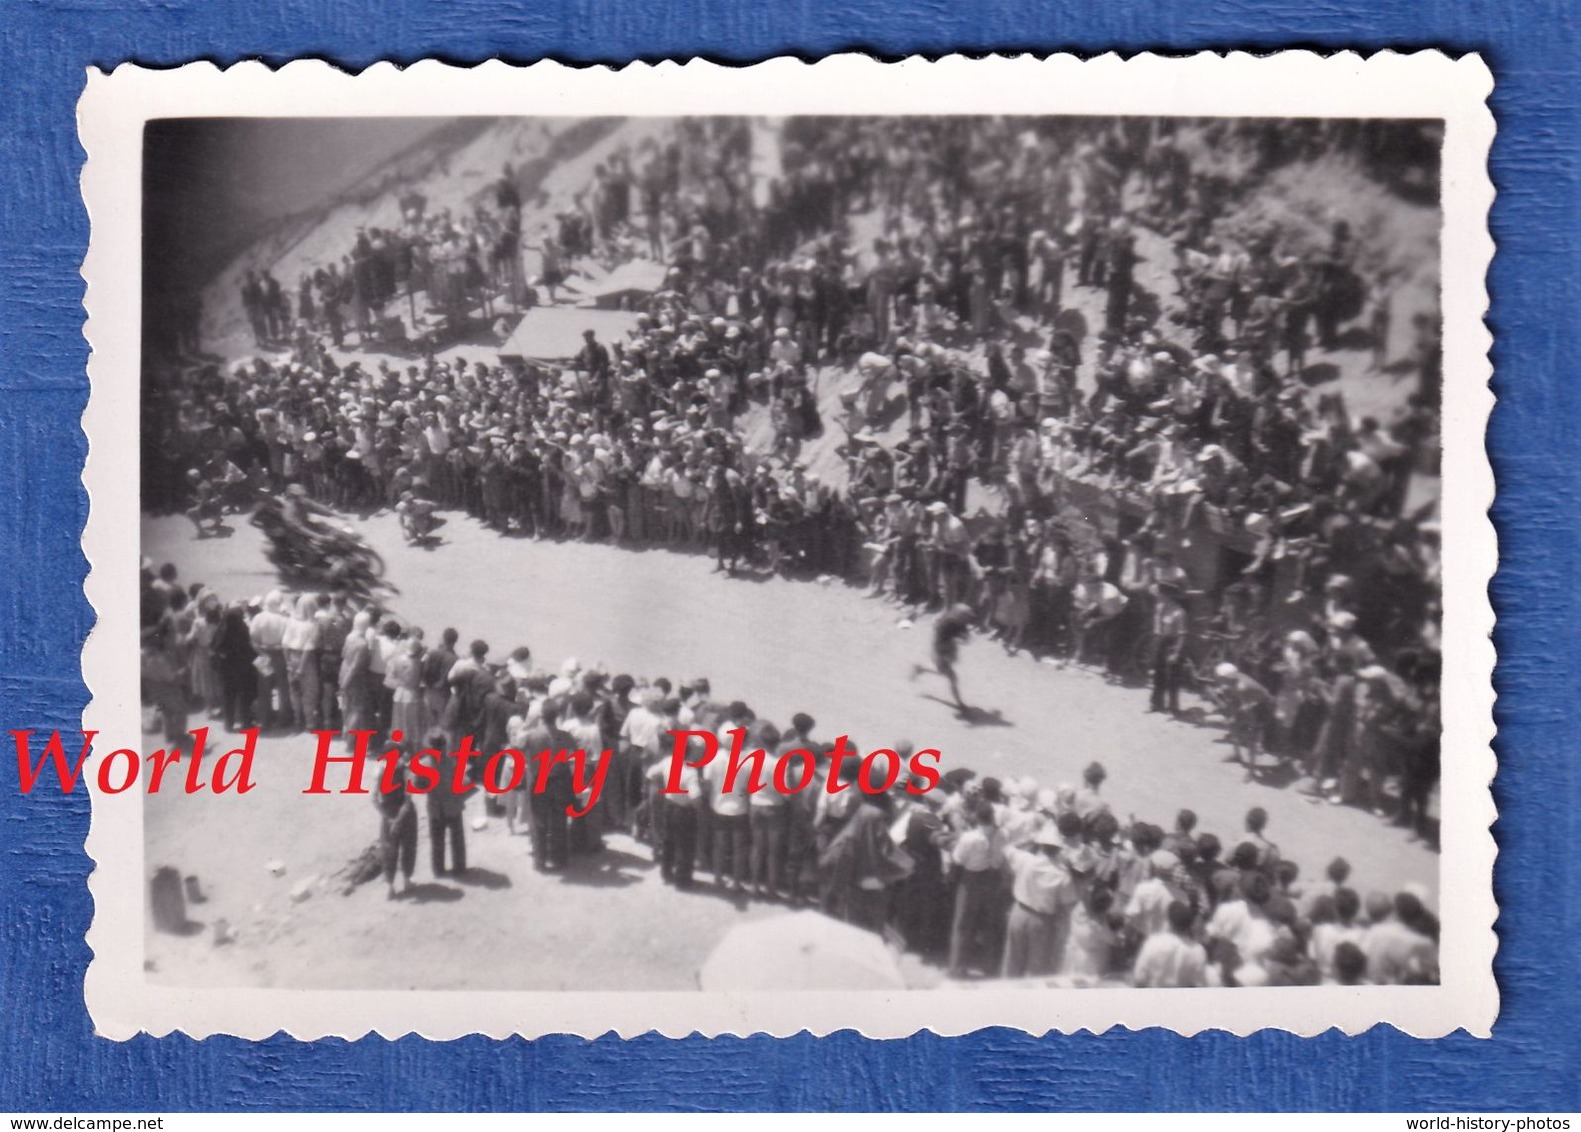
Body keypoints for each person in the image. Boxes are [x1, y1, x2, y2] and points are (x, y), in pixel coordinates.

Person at [1000, 828, 1080, 978]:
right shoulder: (1062, 873)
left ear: (1041, 845)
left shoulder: (1025, 860)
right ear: (1058, 850)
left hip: (1019, 912)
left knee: (1012, 962)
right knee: (1036, 967)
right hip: (1042, 920)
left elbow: (1007, 848)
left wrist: (1028, 840)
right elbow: (1068, 902)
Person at [1132, 899, 1208, 987]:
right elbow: (1199, 985)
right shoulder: (1198, 951)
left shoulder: (1153, 942)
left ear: (1169, 921)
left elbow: (1139, 979)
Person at [912, 603, 975, 708]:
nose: (968, 618)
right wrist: (944, 655)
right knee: (952, 677)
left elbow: (965, 638)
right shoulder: (947, 624)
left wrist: (963, 639)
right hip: (941, 651)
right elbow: (939, 640)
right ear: (959, 615)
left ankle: (921, 668)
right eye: (966, 616)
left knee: (944, 672)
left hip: (948, 650)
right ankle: (959, 703)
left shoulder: (960, 624)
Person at [375, 747, 418, 899]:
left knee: (389, 850)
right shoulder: (407, 773)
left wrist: (388, 818)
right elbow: (407, 801)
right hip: (405, 816)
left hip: (388, 814)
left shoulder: (380, 773)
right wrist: (398, 820)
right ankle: (407, 881)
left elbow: (374, 800)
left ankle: (390, 886)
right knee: (408, 847)